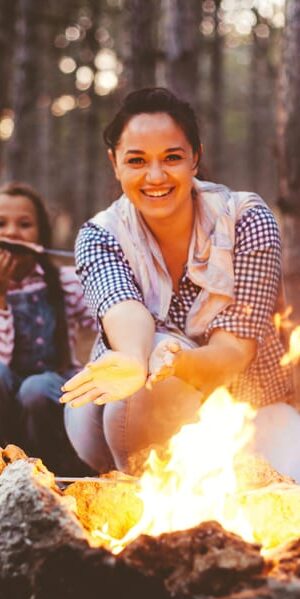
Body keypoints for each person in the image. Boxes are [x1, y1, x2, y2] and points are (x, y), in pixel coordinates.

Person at [61, 87, 300, 480]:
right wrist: (137, 361)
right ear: (115, 164)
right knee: (147, 364)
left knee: (289, 481)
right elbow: (125, 310)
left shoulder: (246, 221)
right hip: (114, 413)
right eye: (136, 161)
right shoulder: (99, 235)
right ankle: (140, 496)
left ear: (195, 158)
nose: (155, 176)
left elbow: (232, 353)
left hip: (244, 403)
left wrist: (176, 363)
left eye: (172, 157)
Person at [0, 181, 97, 475]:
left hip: (53, 390)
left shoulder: (65, 280)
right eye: (1, 224)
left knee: (36, 388)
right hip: (8, 398)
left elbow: (106, 320)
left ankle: (58, 471)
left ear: (41, 233)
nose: (12, 233)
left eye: (25, 224)